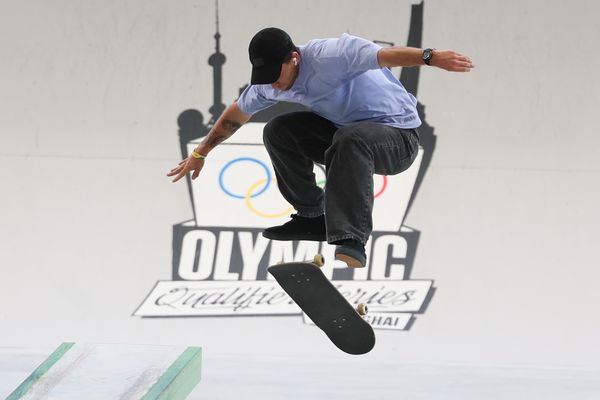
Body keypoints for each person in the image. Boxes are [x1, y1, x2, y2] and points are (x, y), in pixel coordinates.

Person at [168, 27, 474, 268]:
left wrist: (431, 56)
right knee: (279, 130)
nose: (273, 85)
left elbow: (387, 56)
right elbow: (236, 113)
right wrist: (200, 153)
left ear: (294, 59)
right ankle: (313, 216)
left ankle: (352, 238)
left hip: (398, 140)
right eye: (266, 79)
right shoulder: (268, 83)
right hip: (347, 137)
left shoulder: (334, 55)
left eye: (277, 76)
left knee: (351, 138)